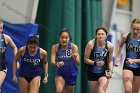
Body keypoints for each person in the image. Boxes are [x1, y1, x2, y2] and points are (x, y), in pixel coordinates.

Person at [84, 27, 114, 93]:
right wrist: (95, 63)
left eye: (103, 34)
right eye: (99, 34)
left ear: (106, 35)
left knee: (101, 91)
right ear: (96, 35)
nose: (101, 36)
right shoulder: (91, 44)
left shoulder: (110, 46)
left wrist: (110, 71)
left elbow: (110, 61)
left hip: (103, 72)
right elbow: (85, 59)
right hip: (92, 72)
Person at [51, 28, 80, 93]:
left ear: (69, 39)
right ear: (59, 38)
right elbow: (52, 61)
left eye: (66, 38)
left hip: (71, 74)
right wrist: (56, 63)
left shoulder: (73, 47)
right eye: (62, 37)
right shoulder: (55, 47)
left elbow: (78, 63)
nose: (64, 39)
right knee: (58, 91)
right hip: (60, 73)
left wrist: (75, 58)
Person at [115, 19, 140, 93]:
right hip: (128, 65)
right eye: (134, 29)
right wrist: (117, 58)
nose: (135, 31)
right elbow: (119, 46)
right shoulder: (126, 36)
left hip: (138, 66)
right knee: (128, 90)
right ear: (131, 27)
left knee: (135, 91)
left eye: (138, 29)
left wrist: (134, 60)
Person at [0, 19, 17, 91]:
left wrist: (16, 59)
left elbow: (14, 47)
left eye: (1, 28)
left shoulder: (6, 38)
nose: (1, 30)